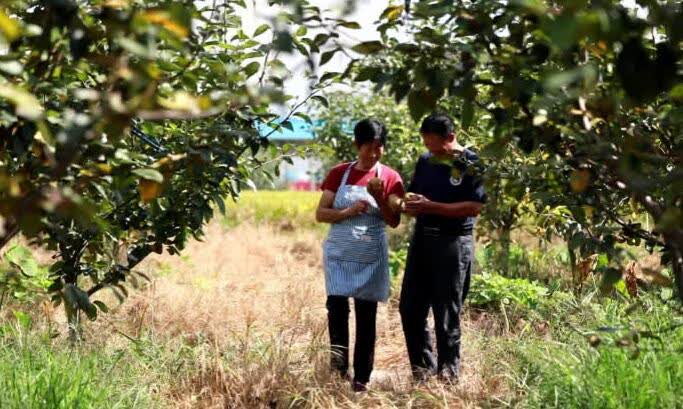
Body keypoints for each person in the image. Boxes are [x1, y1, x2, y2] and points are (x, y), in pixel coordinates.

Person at [315, 118, 405, 392]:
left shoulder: (390, 178)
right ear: (357, 145)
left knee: (366, 316)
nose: (374, 153)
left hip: (369, 257)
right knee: (337, 311)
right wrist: (347, 212)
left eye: (379, 147)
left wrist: (378, 198)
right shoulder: (338, 174)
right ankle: (338, 371)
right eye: (369, 147)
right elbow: (321, 213)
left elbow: (394, 221)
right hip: (339, 256)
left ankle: (361, 379)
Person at [399, 112, 486, 381]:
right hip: (423, 239)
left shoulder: (471, 162)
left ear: (450, 138)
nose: (431, 150)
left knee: (446, 312)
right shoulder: (425, 161)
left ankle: (448, 376)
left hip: (453, 242)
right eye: (426, 144)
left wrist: (432, 206)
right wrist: (407, 203)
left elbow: (474, 206)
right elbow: (415, 197)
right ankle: (423, 372)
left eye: (436, 145)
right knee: (410, 308)